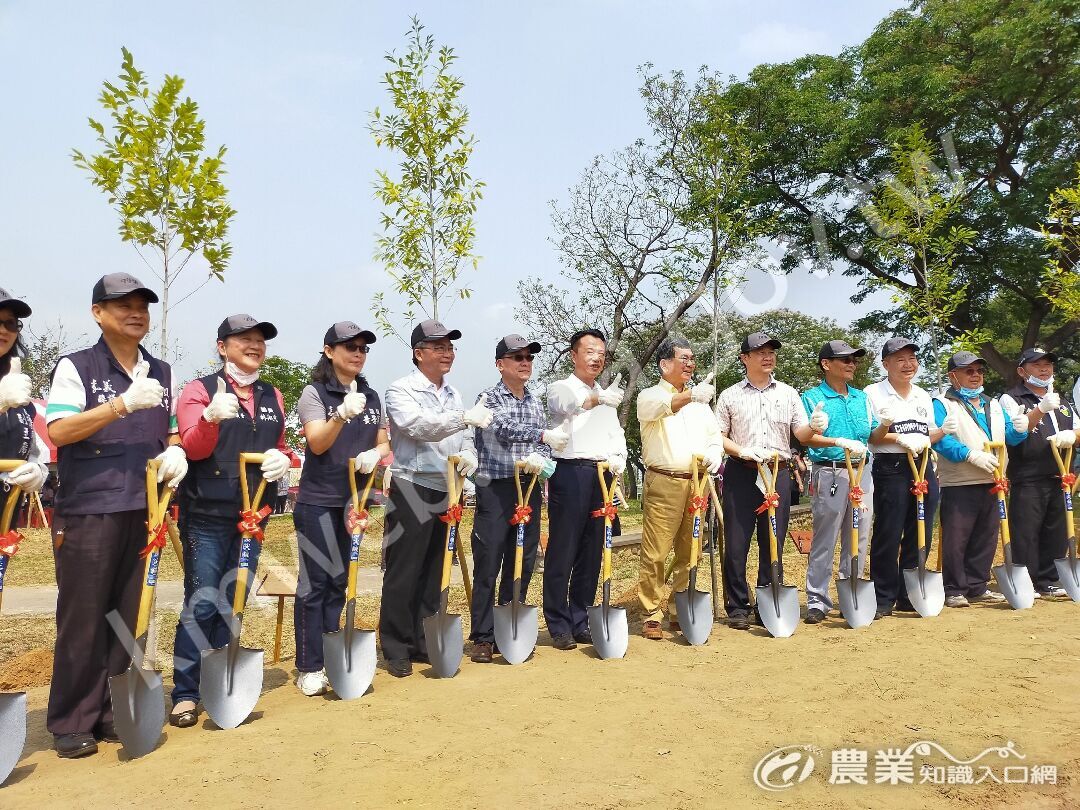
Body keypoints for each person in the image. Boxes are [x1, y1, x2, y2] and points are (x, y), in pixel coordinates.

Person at [45, 273, 187, 758]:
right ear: (97, 313)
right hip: (90, 510)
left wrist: (176, 450)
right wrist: (120, 405)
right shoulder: (76, 366)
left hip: (144, 512)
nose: (136, 312)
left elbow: (167, 431)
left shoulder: (162, 371)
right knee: (84, 616)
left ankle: (110, 711)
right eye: (122, 304)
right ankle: (71, 719)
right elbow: (60, 431)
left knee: (129, 617)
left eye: (142, 304)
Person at [169, 314, 292, 727]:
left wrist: (283, 459)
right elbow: (192, 448)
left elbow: (279, 446)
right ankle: (185, 692)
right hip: (207, 512)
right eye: (244, 339)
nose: (254, 345)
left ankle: (216, 682)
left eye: (260, 340)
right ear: (222, 346)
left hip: (254, 514)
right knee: (203, 599)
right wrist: (209, 419)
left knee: (232, 599)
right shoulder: (199, 390)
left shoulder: (273, 395)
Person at [380, 320, 489, 677]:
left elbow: (466, 433)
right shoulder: (400, 390)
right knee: (404, 568)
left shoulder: (454, 393)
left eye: (450, 347)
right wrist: (462, 420)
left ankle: (423, 640)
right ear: (419, 353)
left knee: (434, 569)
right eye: (439, 347)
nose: (447, 353)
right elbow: (418, 427)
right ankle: (396, 645)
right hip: (412, 485)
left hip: (447, 487)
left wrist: (469, 454)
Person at [290, 322, 390, 695]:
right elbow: (316, 443)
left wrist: (374, 454)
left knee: (340, 582)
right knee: (315, 583)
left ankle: (333, 657)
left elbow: (383, 443)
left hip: (355, 504)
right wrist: (341, 415)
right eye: (350, 347)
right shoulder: (314, 392)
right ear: (330, 351)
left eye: (363, 348)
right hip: (319, 501)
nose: (358, 353)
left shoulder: (371, 396)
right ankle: (309, 664)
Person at [714, 331, 835, 630]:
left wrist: (815, 426)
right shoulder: (730, 395)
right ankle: (738, 606)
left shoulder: (788, 393)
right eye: (760, 352)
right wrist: (742, 450)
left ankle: (767, 599)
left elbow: (802, 435)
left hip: (778, 472)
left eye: (771, 351)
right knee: (737, 540)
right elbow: (717, 436)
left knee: (774, 540)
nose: (768, 356)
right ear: (744, 358)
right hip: (742, 472)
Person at [468, 334, 567, 663]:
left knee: (522, 561)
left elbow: (543, 441)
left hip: (528, 487)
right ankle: (482, 636)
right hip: (496, 487)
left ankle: (507, 629)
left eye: (529, 357)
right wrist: (540, 436)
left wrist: (541, 454)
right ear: (500, 365)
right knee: (489, 561)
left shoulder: (534, 401)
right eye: (517, 358)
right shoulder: (488, 398)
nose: (526, 363)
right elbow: (503, 428)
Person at [635, 337, 723, 640]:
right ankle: (651, 612)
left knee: (691, 551)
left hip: (697, 483)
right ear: (664, 364)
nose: (689, 364)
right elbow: (662, 408)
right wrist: (692, 396)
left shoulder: (701, 406)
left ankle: (678, 607)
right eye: (682, 358)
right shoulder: (648, 395)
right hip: (664, 481)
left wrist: (714, 454)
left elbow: (715, 438)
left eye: (692, 358)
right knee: (657, 551)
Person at [544, 328, 627, 650]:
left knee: (593, 551)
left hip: (602, 475)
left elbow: (615, 433)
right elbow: (567, 406)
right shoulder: (559, 387)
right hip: (570, 471)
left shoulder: (608, 395)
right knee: (564, 548)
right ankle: (558, 622)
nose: (597, 357)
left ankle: (580, 619)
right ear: (574, 355)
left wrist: (619, 456)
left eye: (601, 353)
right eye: (590, 351)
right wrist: (595, 399)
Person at [932, 351, 1027, 607]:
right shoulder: (942, 404)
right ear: (953, 375)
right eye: (968, 371)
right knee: (957, 538)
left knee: (986, 536)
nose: (975, 375)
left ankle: (977, 585)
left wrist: (1020, 429)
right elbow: (942, 441)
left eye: (979, 371)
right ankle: (954, 589)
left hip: (993, 479)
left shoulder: (992, 403)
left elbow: (1009, 436)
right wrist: (969, 454)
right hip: (960, 481)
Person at [865, 337, 945, 616]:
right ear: (886, 363)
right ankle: (882, 596)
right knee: (889, 531)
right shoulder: (872, 393)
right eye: (900, 359)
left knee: (920, 529)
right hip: (891, 466)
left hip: (922, 464)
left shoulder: (923, 395)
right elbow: (872, 437)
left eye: (912, 359)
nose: (907, 364)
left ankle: (910, 594)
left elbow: (927, 434)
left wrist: (943, 431)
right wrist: (900, 438)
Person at [800, 340, 877, 624]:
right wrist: (834, 440)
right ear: (825, 364)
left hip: (862, 471)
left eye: (854, 360)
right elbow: (805, 436)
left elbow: (872, 434)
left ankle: (851, 593)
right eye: (844, 360)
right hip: (830, 471)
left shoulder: (862, 398)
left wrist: (885, 425)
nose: (851, 364)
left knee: (859, 535)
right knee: (825, 537)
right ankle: (817, 600)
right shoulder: (811, 397)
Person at [997, 347, 1077, 599]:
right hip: (1029, 474)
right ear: (1022, 371)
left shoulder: (1062, 402)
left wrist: (1071, 436)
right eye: (1036, 365)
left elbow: (1079, 430)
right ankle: (1026, 579)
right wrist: (1039, 409)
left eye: (1048, 364)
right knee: (1026, 530)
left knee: (1057, 529)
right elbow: (1014, 434)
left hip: (1060, 475)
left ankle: (1050, 578)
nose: (1044, 369)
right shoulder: (1011, 398)